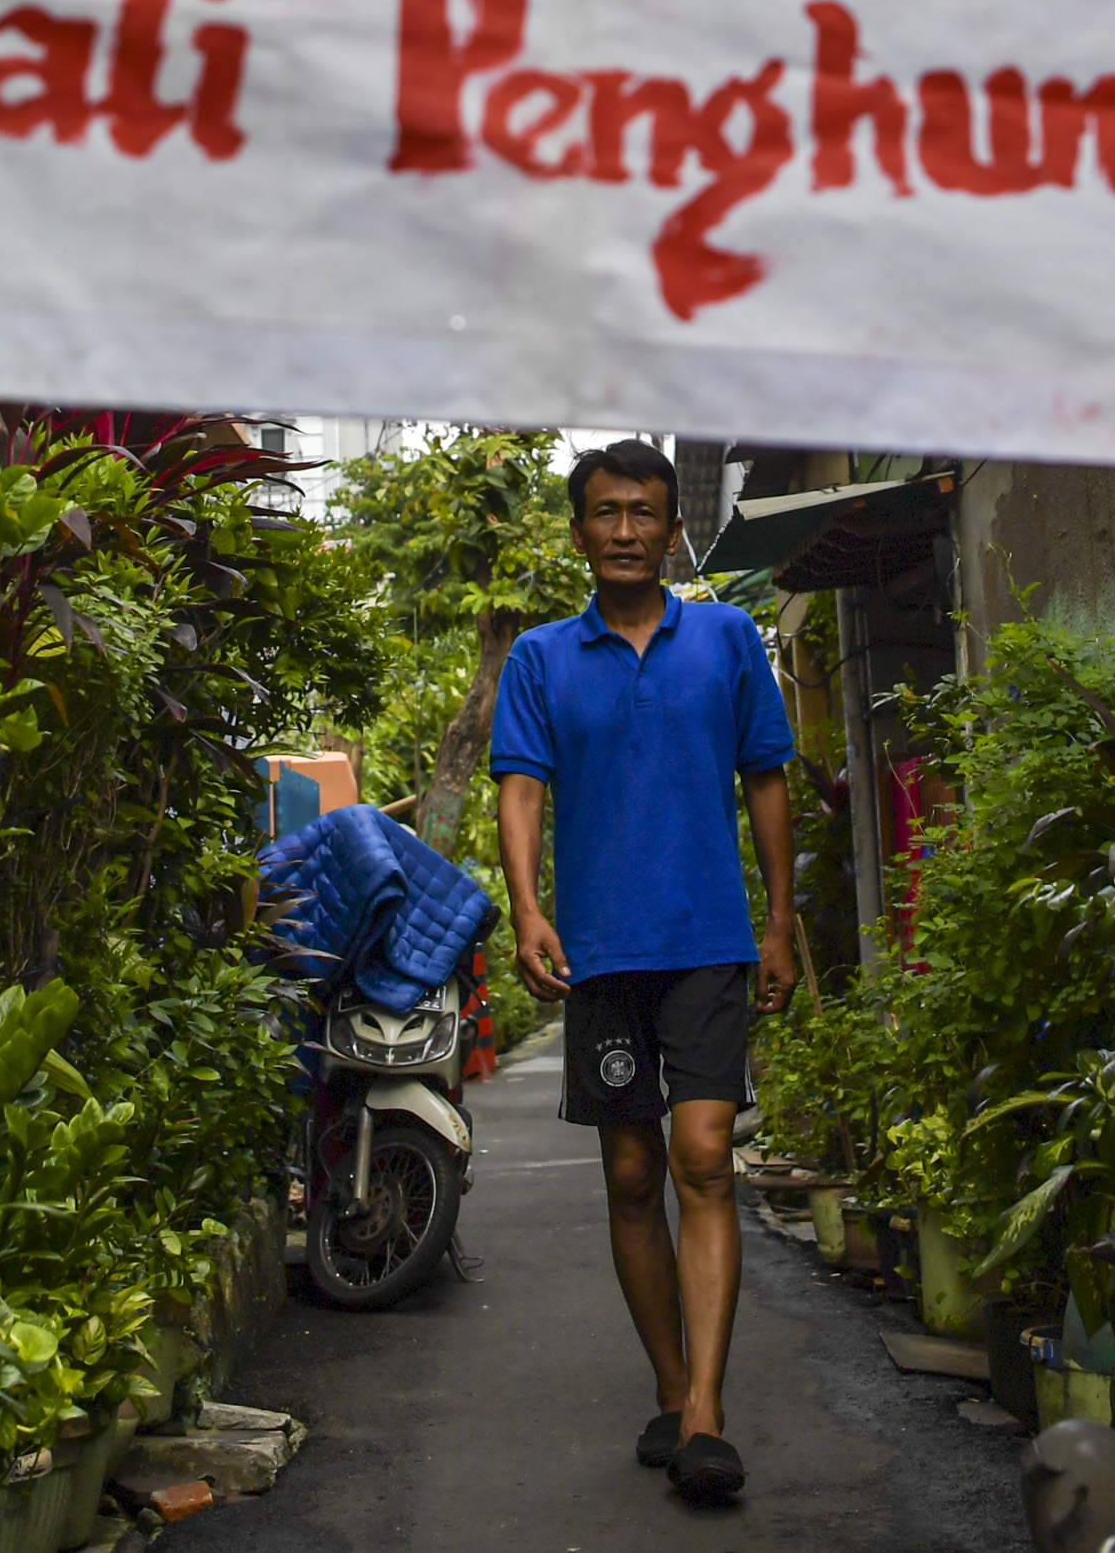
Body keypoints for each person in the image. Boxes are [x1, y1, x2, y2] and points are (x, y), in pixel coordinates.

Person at [493, 438, 800, 1508]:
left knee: (701, 1156)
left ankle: (706, 1410)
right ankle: (671, 1385)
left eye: (644, 514)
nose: (625, 530)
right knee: (630, 1175)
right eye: (606, 513)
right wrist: (529, 907)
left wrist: (781, 919)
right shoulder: (538, 657)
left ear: (672, 531)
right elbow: (522, 787)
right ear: (579, 531)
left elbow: (765, 777)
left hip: (708, 940)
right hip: (603, 953)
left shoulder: (724, 638)